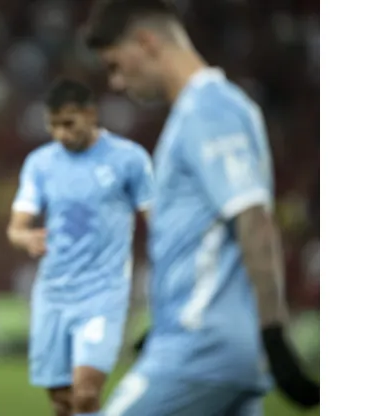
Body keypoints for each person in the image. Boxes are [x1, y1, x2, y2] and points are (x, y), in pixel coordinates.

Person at [84, 1, 319, 414]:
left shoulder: (209, 108)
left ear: (146, 42)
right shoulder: (207, 110)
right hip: (213, 347)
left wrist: (275, 334)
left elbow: (254, 219)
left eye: (115, 65)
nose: (117, 83)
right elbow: (213, 240)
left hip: (200, 349)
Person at [7, 78, 154, 416]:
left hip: (104, 294)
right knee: (62, 400)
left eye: (68, 123)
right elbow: (16, 227)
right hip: (53, 294)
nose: (61, 133)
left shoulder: (129, 159)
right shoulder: (40, 163)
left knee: (86, 393)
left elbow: (158, 220)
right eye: (53, 125)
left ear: (91, 114)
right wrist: (25, 237)